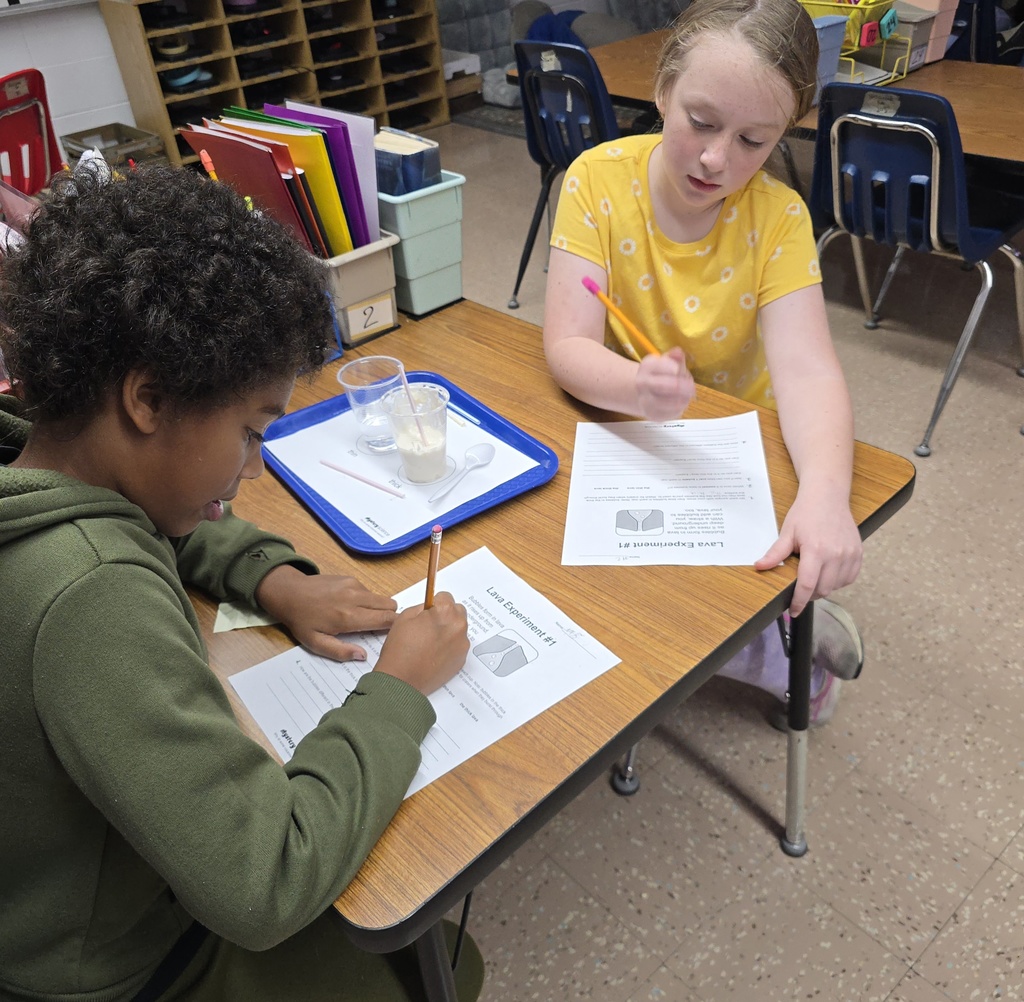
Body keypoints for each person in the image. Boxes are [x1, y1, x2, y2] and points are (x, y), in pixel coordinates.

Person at [0, 164, 483, 1001]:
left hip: (49, 906)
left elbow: (145, 510)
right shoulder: (91, 594)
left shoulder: (35, 444)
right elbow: (267, 880)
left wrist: (271, 578)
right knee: (440, 966)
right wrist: (398, 690)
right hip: (115, 973)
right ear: (148, 397)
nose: (255, 468)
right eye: (252, 432)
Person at [543, 0, 864, 727]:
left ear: (784, 134)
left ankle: (772, 646)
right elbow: (566, 346)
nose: (719, 159)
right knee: (598, 592)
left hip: (737, 458)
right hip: (623, 435)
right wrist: (634, 385)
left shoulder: (776, 217)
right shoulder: (595, 182)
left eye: (754, 140)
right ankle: (770, 649)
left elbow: (809, 373)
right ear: (662, 93)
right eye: (701, 122)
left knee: (728, 589)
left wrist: (825, 492)